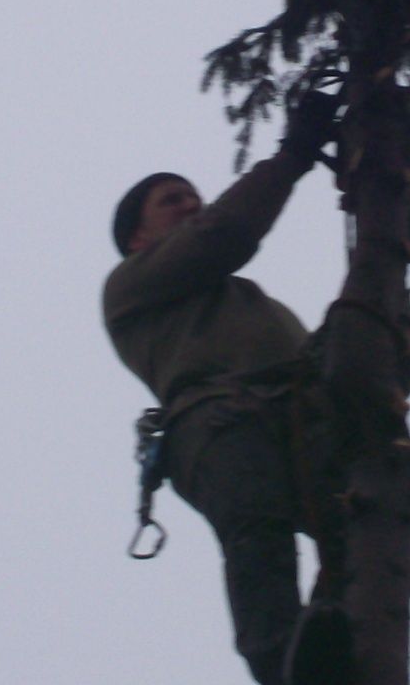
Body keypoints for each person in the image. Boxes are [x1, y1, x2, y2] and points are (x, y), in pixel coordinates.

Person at [103, 95, 347, 685]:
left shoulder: (254, 304)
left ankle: (335, 645)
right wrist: (293, 155)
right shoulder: (131, 285)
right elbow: (221, 234)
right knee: (257, 532)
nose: (191, 203)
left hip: (300, 416)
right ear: (138, 237)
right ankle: (282, 661)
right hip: (219, 420)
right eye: (171, 201)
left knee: (355, 534)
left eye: (193, 194)